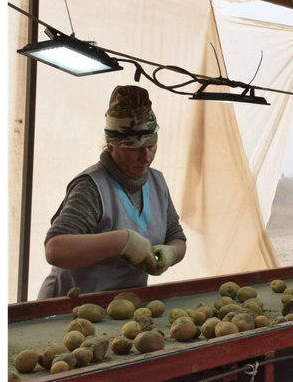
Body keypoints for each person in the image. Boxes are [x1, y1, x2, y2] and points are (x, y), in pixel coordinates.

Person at [38, 85, 187, 299]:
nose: (146, 157)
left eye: (151, 146)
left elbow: (176, 238)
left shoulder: (157, 182)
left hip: (125, 310)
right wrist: (121, 241)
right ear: (111, 145)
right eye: (134, 149)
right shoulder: (92, 187)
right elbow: (55, 250)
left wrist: (171, 253)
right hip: (71, 308)